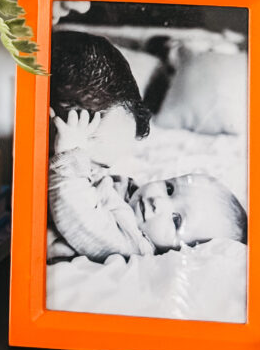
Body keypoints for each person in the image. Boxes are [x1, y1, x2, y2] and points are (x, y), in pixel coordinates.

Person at [48, 109, 247, 263]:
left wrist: (70, 156)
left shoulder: (134, 245)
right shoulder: (128, 192)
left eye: (176, 220)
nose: (157, 201)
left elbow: (81, 220)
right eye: (170, 189)